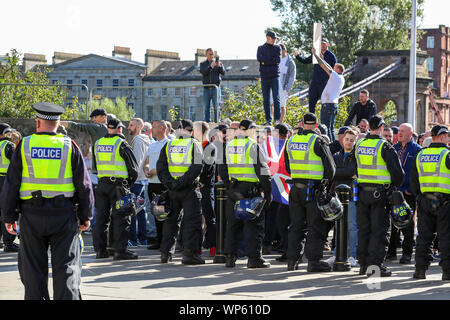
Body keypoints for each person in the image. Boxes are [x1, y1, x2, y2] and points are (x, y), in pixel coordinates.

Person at [0, 102, 94, 300]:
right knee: (66, 267)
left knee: (32, 269)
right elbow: (84, 185)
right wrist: (85, 216)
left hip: (32, 215)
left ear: (38, 122)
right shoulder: (69, 146)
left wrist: (9, 216)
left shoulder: (24, 145)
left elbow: (11, 184)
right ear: (58, 123)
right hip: (63, 215)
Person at [284, 112, 336, 272]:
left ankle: (292, 261)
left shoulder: (291, 140)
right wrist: (325, 185)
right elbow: (331, 168)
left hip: (296, 189)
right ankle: (313, 262)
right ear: (316, 123)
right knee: (316, 226)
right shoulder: (318, 140)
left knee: (296, 225)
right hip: (313, 190)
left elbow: (287, 166)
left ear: (302, 123)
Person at [354, 115, 404, 277]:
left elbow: (354, 166)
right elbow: (398, 174)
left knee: (364, 230)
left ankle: (363, 264)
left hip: (362, 193)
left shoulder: (360, 144)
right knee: (379, 230)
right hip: (380, 194)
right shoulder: (384, 146)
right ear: (381, 127)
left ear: (369, 126)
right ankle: (375, 266)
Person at [218, 119, 272, 268]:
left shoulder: (229, 145)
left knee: (233, 225)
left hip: (234, 189)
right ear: (251, 129)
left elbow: (222, 169)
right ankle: (254, 259)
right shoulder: (252, 145)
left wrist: (229, 186)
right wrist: (268, 192)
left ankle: (230, 257)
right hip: (250, 190)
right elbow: (262, 171)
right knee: (253, 225)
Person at [156, 119, 204, 265]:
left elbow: (161, 167)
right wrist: (181, 182)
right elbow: (197, 168)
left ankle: (166, 254)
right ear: (191, 131)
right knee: (192, 222)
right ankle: (190, 255)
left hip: (172, 190)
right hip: (188, 189)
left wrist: (170, 183)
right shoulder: (194, 144)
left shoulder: (169, 144)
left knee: (170, 222)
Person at [92, 118, 139, 260]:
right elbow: (134, 169)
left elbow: (95, 166)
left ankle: (101, 250)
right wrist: (128, 185)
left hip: (101, 185)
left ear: (108, 128)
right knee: (122, 218)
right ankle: (120, 251)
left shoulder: (98, 143)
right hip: (118, 186)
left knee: (101, 218)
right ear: (120, 129)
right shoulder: (121, 143)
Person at [410, 125, 450, 280]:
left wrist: (420, 196)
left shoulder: (421, 154)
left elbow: (413, 180)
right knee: (446, 237)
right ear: (442, 137)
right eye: (447, 135)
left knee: (424, 237)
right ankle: (447, 272)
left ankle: (420, 270)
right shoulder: (447, 154)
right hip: (445, 202)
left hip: (425, 201)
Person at [385, 123, 422, 264]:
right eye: (398, 131)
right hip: (394, 193)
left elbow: (418, 173)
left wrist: (411, 190)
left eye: (402, 131)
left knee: (407, 224)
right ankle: (391, 252)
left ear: (410, 133)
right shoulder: (393, 148)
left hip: (407, 193)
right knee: (393, 223)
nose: (399, 133)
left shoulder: (417, 150)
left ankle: (406, 254)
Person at [327, 129, 359, 267]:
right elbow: (332, 173)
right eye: (347, 139)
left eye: (352, 140)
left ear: (355, 141)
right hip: (336, 196)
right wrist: (343, 173)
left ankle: (352, 255)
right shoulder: (336, 156)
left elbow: (352, 171)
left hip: (351, 195)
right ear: (342, 140)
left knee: (351, 226)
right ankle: (337, 254)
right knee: (338, 226)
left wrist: (340, 172)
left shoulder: (357, 157)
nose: (349, 142)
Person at [143, 120, 169, 250]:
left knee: (163, 213)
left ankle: (166, 240)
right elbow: (147, 161)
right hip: (151, 183)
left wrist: (155, 171)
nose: (151, 129)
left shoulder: (168, 143)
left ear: (162, 128)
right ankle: (159, 240)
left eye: (153, 127)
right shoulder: (152, 145)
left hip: (162, 183)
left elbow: (170, 165)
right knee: (155, 212)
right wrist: (146, 169)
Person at [294, 38, 337, 114]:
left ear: (328, 44)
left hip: (325, 82)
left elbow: (335, 69)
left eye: (324, 44)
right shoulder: (315, 54)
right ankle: (312, 120)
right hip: (315, 81)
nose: (322, 45)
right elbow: (305, 61)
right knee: (311, 102)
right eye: (321, 44)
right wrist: (297, 56)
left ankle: (324, 121)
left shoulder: (331, 56)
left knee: (325, 103)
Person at [311, 47, 345, 142]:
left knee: (325, 128)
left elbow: (325, 67)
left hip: (328, 105)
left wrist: (316, 55)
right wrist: (322, 58)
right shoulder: (341, 77)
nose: (333, 69)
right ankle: (333, 145)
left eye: (334, 68)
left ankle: (328, 146)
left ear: (338, 69)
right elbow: (329, 67)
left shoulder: (335, 76)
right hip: (333, 104)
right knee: (331, 128)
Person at [194, 121, 217, 256]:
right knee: (196, 218)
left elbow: (206, 168)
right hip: (195, 187)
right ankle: (197, 246)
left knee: (209, 217)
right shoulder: (196, 146)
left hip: (206, 187)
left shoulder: (210, 147)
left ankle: (213, 245)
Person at [127, 118, 151, 246]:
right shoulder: (147, 140)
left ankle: (133, 239)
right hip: (143, 179)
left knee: (132, 210)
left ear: (138, 127)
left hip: (136, 180)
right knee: (141, 210)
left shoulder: (137, 140)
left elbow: (135, 161)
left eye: (131, 125)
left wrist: (131, 177)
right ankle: (142, 238)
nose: (128, 127)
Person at [0, 123, 19, 253]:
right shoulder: (8, 145)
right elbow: (16, 162)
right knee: (7, 211)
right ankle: (9, 243)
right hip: (6, 181)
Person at [257, 31, 282, 126]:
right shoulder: (260, 48)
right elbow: (259, 59)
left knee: (276, 98)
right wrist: (271, 60)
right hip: (264, 76)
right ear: (267, 37)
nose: (274, 39)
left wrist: (265, 61)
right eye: (273, 37)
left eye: (275, 38)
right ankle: (268, 120)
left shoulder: (277, 47)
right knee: (266, 99)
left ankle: (277, 119)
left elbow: (278, 60)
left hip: (275, 76)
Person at [270, 44, 296, 123]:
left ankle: (280, 122)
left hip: (283, 87)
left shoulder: (290, 62)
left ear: (285, 50)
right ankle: (275, 121)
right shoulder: (276, 59)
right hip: (274, 85)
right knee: (272, 104)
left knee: (282, 106)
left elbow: (292, 76)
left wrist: (287, 88)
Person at [200, 48, 225, 123]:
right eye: (210, 54)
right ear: (206, 55)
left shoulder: (218, 63)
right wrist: (211, 67)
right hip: (206, 88)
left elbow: (223, 72)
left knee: (216, 107)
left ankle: (217, 122)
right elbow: (203, 72)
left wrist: (219, 66)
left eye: (212, 54)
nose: (211, 56)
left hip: (216, 89)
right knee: (206, 107)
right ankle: (207, 122)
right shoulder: (203, 64)